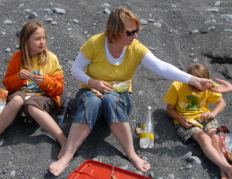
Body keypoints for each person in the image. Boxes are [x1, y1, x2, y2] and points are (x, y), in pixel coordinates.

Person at [49, 7, 213, 176]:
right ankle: (67, 155)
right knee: (91, 100)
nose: (135, 36)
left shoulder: (135, 47)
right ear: (115, 31)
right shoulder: (95, 43)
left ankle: (132, 154)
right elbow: (75, 69)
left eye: (137, 31)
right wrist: (93, 83)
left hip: (120, 99)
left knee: (110, 99)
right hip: (92, 94)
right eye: (130, 32)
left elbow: (160, 66)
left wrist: (193, 80)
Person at [0, 21, 67, 159]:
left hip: (45, 97)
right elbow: (7, 84)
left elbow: (60, 88)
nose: (42, 42)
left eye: (44, 38)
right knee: (17, 99)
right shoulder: (17, 58)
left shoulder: (51, 58)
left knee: (32, 106)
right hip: (22, 94)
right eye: (37, 39)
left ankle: (63, 141)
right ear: (26, 40)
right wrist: (18, 77)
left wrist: (45, 81)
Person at [164, 63, 232, 179]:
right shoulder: (177, 85)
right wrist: (180, 119)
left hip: (205, 116)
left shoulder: (209, 85)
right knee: (204, 138)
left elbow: (222, 103)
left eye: (200, 88)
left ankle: (224, 167)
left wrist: (212, 114)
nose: (197, 91)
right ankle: (226, 167)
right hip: (186, 120)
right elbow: (169, 109)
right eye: (193, 87)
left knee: (215, 137)